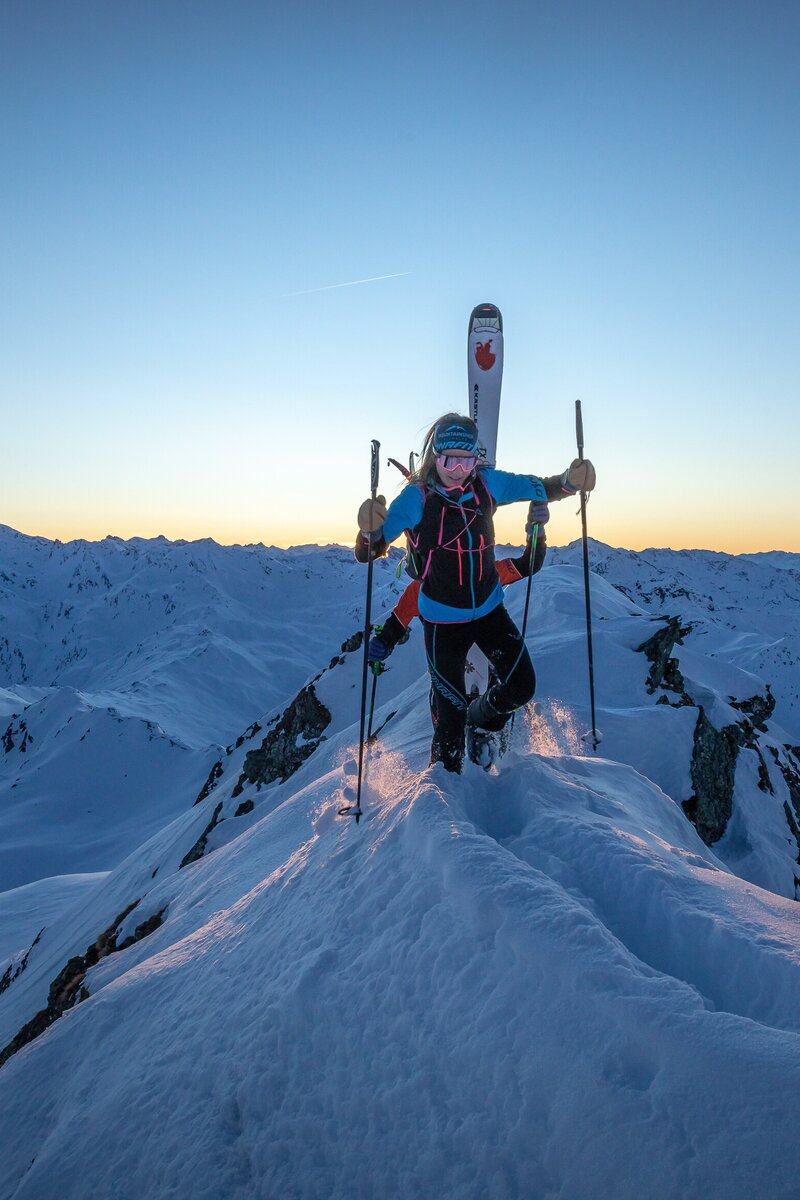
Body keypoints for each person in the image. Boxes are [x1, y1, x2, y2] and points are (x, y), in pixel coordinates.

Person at [355, 413, 596, 772]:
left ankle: (482, 719)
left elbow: (532, 486)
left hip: (488, 609)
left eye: (466, 459)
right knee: (448, 724)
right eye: (448, 458)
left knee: (521, 686)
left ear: (476, 459)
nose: (457, 468)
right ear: (434, 457)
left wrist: (568, 483)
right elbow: (370, 551)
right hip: (441, 620)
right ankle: (443, 800)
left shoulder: (486, 484)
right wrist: (369, 533)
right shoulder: (416, 498)